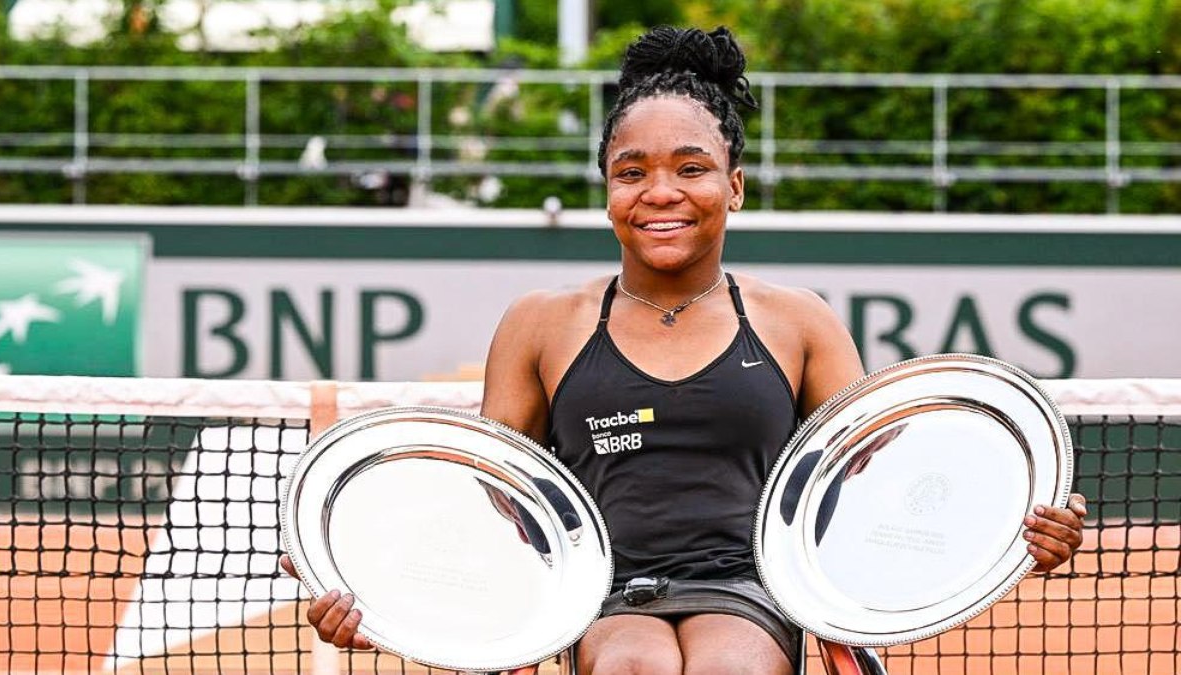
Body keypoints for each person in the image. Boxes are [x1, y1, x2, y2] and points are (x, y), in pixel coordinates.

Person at [281, 25, 1087, 675]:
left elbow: (883, 489)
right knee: (635, 664)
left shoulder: (799, 321)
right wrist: (372, 577)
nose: (660, 191)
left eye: (691, 167)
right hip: (598, 599)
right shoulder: (540, 323)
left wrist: (1015, 526)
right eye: (632, 170)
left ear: (734, 184)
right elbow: (493, 510)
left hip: (751, 591)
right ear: (606, 187)